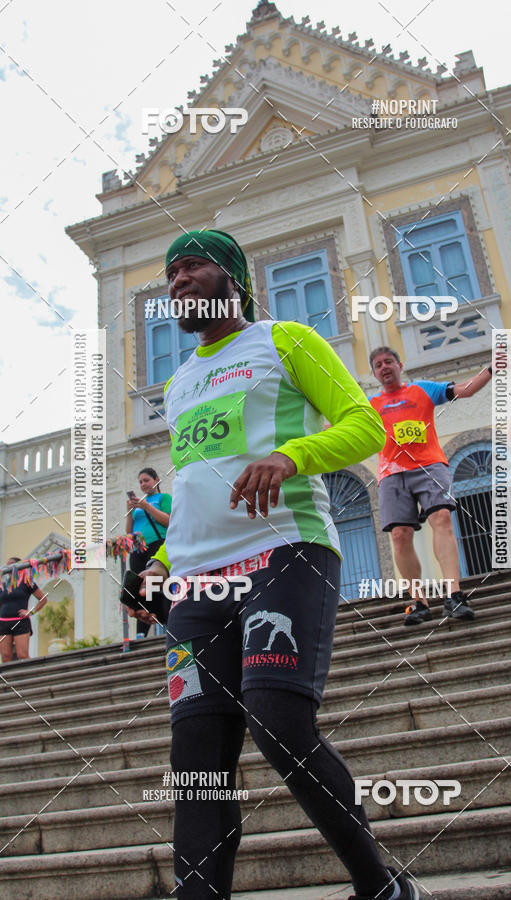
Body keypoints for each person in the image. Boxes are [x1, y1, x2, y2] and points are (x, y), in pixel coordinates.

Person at [138, 229, 420, 900]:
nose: (177, 279)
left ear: (232, 277)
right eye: (170, 271)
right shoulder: (178, 386)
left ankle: (380, 888)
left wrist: (292, 456)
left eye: (193, 265)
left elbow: (365, 425)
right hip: (198, 582)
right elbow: (200, 484)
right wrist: (162, 560)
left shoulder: (285, 340)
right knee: (197, 763)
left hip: (286, 550)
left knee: (278, 720)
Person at [369, 345, 492, 626]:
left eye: (389, 361)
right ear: (375, 373)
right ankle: (419, 602)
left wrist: (492, 367)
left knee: (442, 517)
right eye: (378, 365)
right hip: (391, 473)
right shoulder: (371, 405)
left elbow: (467, 389)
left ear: (400, 365)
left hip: (429, 465)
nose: (385, 367)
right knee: (399, 535)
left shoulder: (422, 390)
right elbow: (338, 426)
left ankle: (454, 594)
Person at [125, 468, 171, 637]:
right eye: (140, 482)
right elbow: (129, 532)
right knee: (140, 587)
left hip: (157, 545)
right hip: (138, 549)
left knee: (158, 583)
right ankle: (141, 633)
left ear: (156, 480)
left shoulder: (163, 498)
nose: (143, 484)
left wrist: (146, 506)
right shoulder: (138, 505)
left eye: (146, 480)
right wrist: (130, 513)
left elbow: (169, 520)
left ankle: (167, 624)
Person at [0, 557, 47, 662]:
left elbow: (43, 599)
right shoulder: (2, 585)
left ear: (19, 566)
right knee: (5, 657)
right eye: (7, 565)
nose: (9, 568)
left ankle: (33, 676)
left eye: (12, 565)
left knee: (22, 655)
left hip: (20, 622)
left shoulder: (27, 582)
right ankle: (10, 678)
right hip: (3, 623)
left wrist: (31, 611)